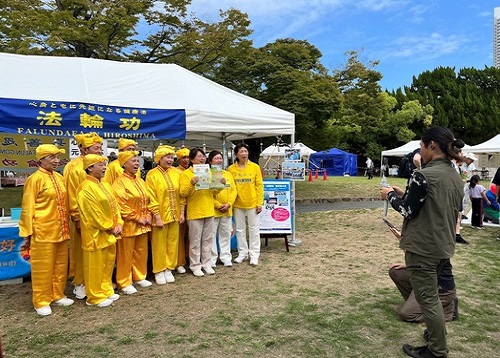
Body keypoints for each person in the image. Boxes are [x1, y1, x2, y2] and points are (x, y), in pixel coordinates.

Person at [380, 127, 464, 358]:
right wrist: (403, 193)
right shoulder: (455, 176)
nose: (420, 151)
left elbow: (407, 209)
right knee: (430, 296)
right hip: (443, 245)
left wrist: (389, 195)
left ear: (432, 146)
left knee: (427, 299)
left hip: (422, 248)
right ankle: (436, 335)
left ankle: (437, 350)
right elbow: (438, 206)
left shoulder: (423, 175)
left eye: (422, 146)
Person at [19, 144, 73, 316]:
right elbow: (28, 207)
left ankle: (57, 294)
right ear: (41, 159)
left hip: (61, 229)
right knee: (43, 267)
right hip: (43, 230)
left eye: (58, 157)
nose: (57, 161)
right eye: (52, 157)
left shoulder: (59, 177)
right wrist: (27, 232)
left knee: (60, 264)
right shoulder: (34, 179)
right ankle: (41, 300)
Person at [77, 154, 123, 308]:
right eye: (100, 165)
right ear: (90, 168)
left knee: (107, 264)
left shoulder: (105, 184)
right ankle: (94, 297)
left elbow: (115, 206)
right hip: (95, 235)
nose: (104, 168)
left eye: (105, 165)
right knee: (95, 267)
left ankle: (105, 290)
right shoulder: (85, 188)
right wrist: (111, 226)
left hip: (110, 233)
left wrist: (119, 223)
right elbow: (93, 214)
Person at [386, 225, 457, 323]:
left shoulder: (436, 240)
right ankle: (417, 305)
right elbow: (417, 260)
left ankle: (447, 311)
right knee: (395, 272)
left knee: (407, 314)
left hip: (440, 288)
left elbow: (428, 266)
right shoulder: (422, 237)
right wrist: (401, 239)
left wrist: (410, 265)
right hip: (424, 281)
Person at [63, 132, 104, 300]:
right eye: (96, 148)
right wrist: (77, 219)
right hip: (82, 218)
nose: (100, 150)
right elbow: (72, 197)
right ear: (83, 148)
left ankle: (97, 282)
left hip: (100, 217)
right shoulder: (74, 168)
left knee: (98, 250)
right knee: (81, 251)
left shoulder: (99, 165)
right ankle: (80, 282)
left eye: (101, 147)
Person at [112, 151, 152, 294]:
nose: (136, 163)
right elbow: (121, 205)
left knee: (141, 251)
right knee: (125, 254)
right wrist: (137, 217)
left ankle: (139, 276)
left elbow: (147, 199)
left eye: (137, 161)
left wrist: (147, 214)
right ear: (124, 164)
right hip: (129, 225)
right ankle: (124, 281)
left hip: (143, 224)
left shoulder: (140, 181)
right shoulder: (119, 182)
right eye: (133, 161)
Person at [180, 148, 224, 276]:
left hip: (209, 210)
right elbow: (183, 193)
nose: (202, 158)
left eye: (203, 156)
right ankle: (195, 265)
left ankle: (207, 263)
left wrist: (220, 185)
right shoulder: (186, 174)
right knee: (195, 241)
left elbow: (213, 193)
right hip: (195, 212)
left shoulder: (209, 171)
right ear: (192, 159)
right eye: (199, 156)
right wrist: (191, 183)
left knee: (207, 240)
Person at [145, 145, 185, 285]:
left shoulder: (176, 173)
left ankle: (169, 267)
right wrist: (157, 216)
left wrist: (182, 212)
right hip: (160, 216)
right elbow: (151, 197)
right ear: (159, 159)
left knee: (173, 242)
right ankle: (159, 270)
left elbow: (181, 194)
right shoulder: (152, 174)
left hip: (175, 215)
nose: (170, 160)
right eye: (167, 157)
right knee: (159, 244)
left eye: (171, 157)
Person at [228, 143, 264, 266]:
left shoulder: (254, 167)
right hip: (238, 204)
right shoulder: (231, 169)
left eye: (245, 151)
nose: (244, 154)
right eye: (241, 151)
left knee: (254, 229)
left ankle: (254, 255)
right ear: (236, 154)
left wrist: (259, 203)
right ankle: (242, 253)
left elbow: (259, 186)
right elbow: (230, 187)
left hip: (253, 203)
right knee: (239, 230)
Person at [208, 150, 237, 267]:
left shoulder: (227, 174)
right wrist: (218, 205)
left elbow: (234, 190)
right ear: (210, 161)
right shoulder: (207, 174)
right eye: (216, 158)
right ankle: (212, 259)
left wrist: (229, 204)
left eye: (220, 158)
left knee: (225, 234)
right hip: (214, 211)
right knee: (211, 236)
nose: (219, 160)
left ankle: (225, 257)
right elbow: (206, 194)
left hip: (227, 210)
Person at [175, 146, 191, 274]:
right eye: (183, 158)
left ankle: (190, 257)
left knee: (192, 235)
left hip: (193, 207)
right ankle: (179, 261)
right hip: (180, 208)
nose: (186, 160)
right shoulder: (175, 172)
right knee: (179, 237)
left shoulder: (194, 171)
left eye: (187, 157)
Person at [460, 152, 478, 219]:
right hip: (462, 182)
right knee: (462, 197)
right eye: (471, 159)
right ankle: (460, 212)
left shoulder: (472, 165)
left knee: (466, 198)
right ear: (467, 159)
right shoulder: (462, 165)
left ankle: (463, 212)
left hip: (469, 183)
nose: (472, 161)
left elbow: (474, 173)